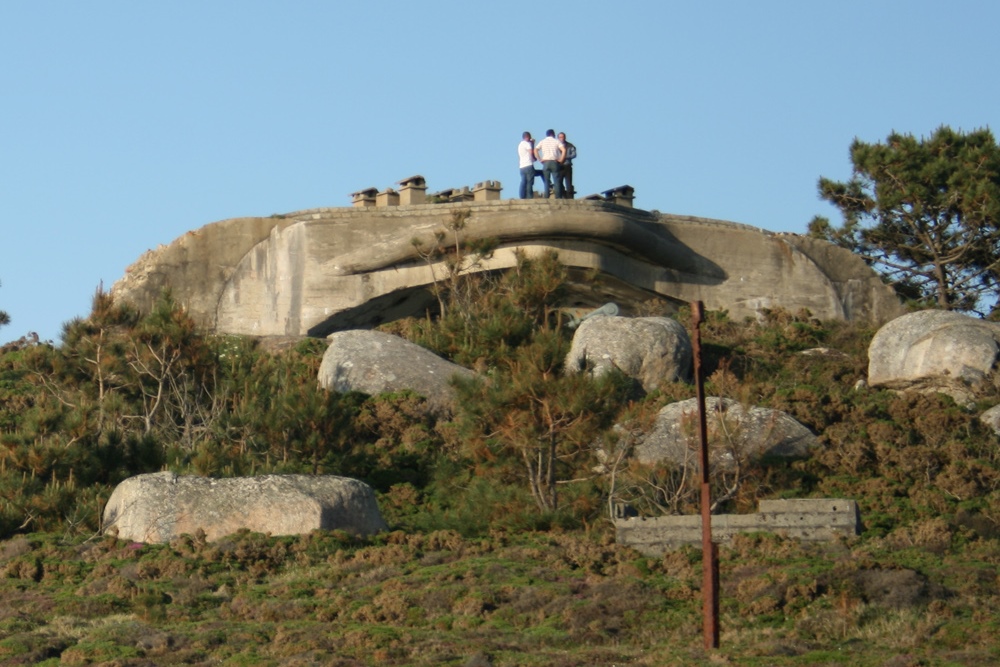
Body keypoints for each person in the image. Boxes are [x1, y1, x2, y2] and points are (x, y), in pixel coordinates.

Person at [533, 129, 566, 198]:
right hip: (554, 162)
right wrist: (561, 160)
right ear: (553, 134)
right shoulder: (556, 141)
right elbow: (564, 150)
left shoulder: (543, 141)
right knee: (556, 181)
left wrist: (540, 159)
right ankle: (558, 197)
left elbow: (535, 150)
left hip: (546, 162)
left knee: (546, 181)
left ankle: (546, 196)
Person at [557, 132, 577, 199]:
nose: (561, 138)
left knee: (569, 183)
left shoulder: (570, 145)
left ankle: (569, 197)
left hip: (567, 165)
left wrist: (566, 156)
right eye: (560, 137)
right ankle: (563, 196)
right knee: (559, 182)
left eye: (562, 137)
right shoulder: (556, 146)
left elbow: (574, 154)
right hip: (559, 166)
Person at [517, 132, 536, 199]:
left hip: (522, 166)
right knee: (529, 182)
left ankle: (522, 196)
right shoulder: (527, 144)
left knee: (523, 181)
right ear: (528, 137)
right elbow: (531, 152)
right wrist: (534, 158)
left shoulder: (520, 145)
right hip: (528, 165)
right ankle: (529, 196)